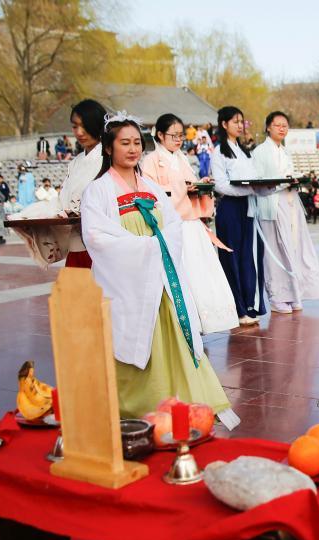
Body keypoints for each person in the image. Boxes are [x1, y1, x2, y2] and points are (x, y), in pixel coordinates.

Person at [81, 112, 232, 420]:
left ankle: (178, 402)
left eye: (137, 143)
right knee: (130, 335)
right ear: (108, 147)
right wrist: (147, 248)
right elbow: (96, 237)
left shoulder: (150, 186)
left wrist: (157, 247)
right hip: (126, 281)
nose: (133, 149)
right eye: (124, 143)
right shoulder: (97, 190)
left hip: (160, 277)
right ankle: (136, 406)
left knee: (171, 335)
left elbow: (173, 225)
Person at [141, 113, 239, 334]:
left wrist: (200, 184)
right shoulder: (151, 161)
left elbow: (187, 185)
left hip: (191, 224)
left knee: (200, 273)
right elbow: (151, 193)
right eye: (173, 135)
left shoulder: (182, 158)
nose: (178, 140)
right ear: (160, 135)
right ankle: (183, 324)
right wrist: (183, 188)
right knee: (182, 273)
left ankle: (202, 322)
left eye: (181, 136)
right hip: (171, 225)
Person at [13, 99, 107, 267]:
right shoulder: (76, 162)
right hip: (77, 245)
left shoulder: (109, 159)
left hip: (103, 246)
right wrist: (30, 214)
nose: (79, 132)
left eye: (85, 126)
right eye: (75, 126)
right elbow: (63, 201)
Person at [252, 111, 319, 313]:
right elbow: (258, 181)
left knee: (294, 248)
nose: (282, 128)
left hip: (290, 202)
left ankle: (294, 293)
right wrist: (283, 182)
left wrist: (293, 180)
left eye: (285, 125)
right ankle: (277, 297)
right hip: (272, 204)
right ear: (268, 127)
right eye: (277, 125)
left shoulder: (285, 152)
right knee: (275, 250)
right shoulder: (260, 152)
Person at [210, 105, 273, 326]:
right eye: (235, 122)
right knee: (232, 258)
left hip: (249, 207)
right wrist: (248, 190)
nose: (240, 126)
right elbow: (220, 185)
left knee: (250, 256)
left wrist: (271, 186)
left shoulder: (245, 152)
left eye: (241, 121)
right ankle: (238, 308)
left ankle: (250, 304)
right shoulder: (219, 152)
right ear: (224, 124)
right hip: (230, 209)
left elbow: (254, 183)